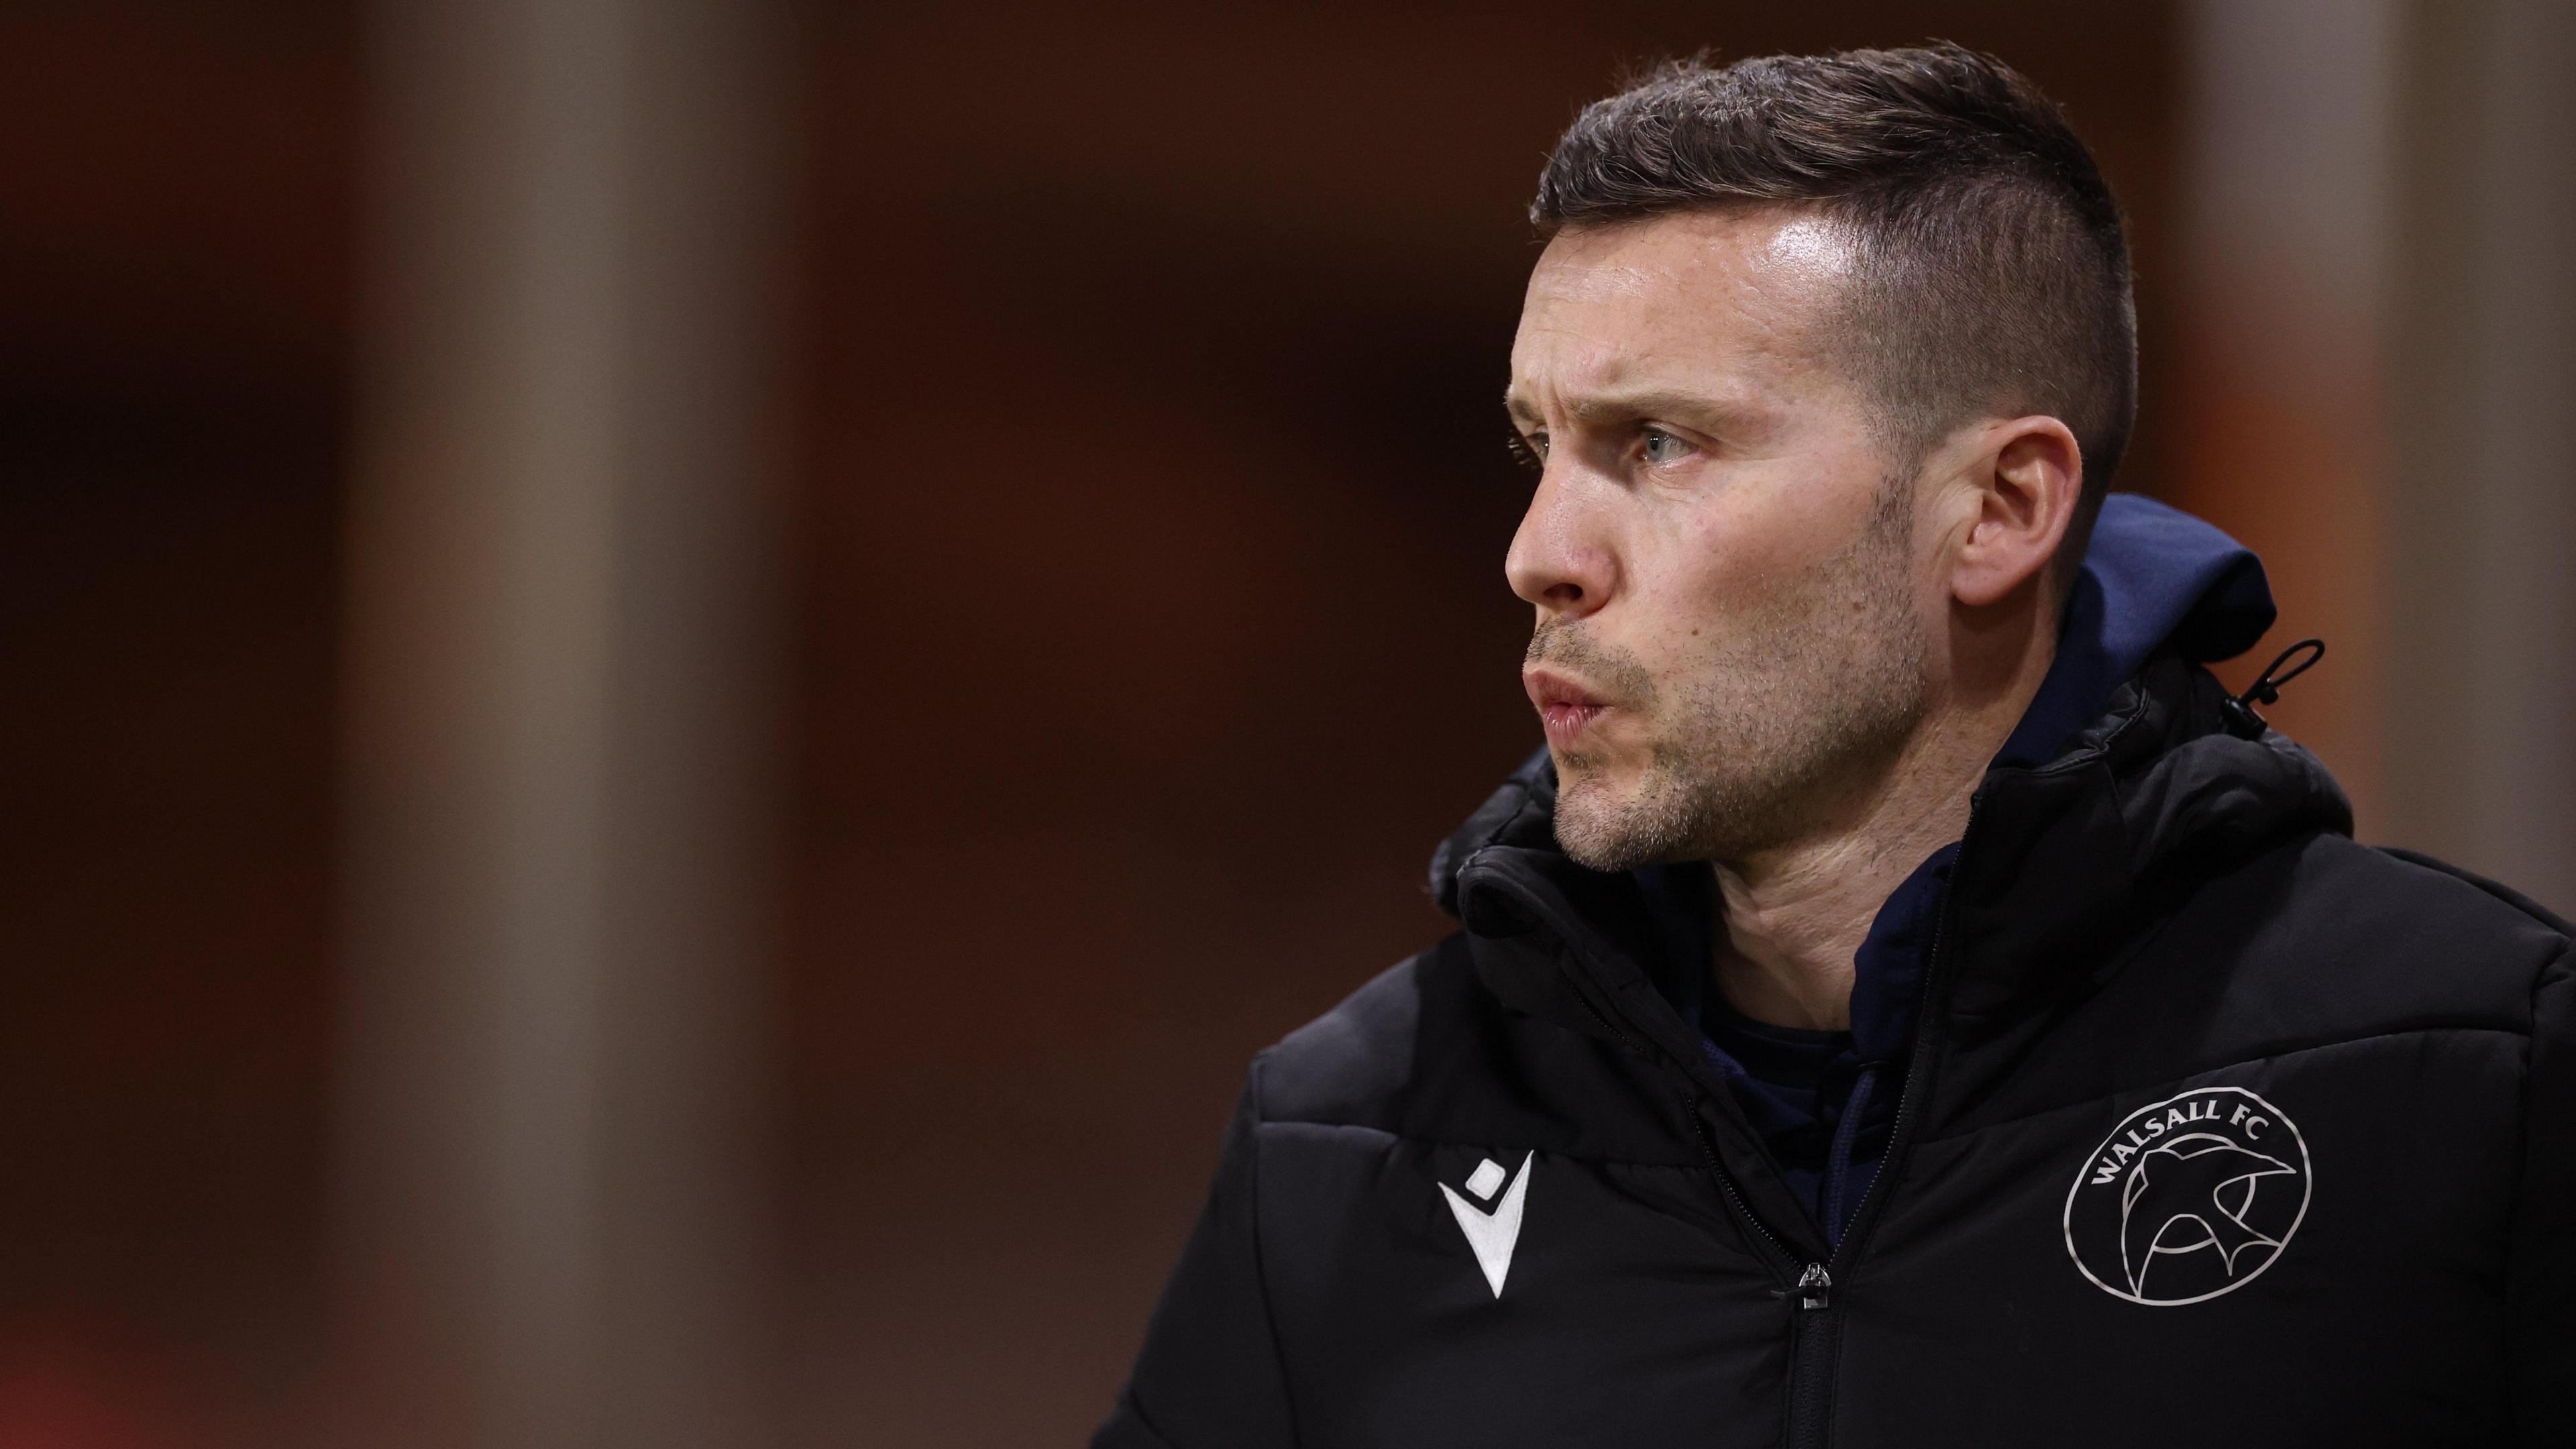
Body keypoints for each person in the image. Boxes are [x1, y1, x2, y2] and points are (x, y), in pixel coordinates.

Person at [1094, 44, 2573, 1448]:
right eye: (1537, 448)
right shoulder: (1350, 1135)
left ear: (1997, 510)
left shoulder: (2472, 1074)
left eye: (1660, 444)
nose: (1538, 554)